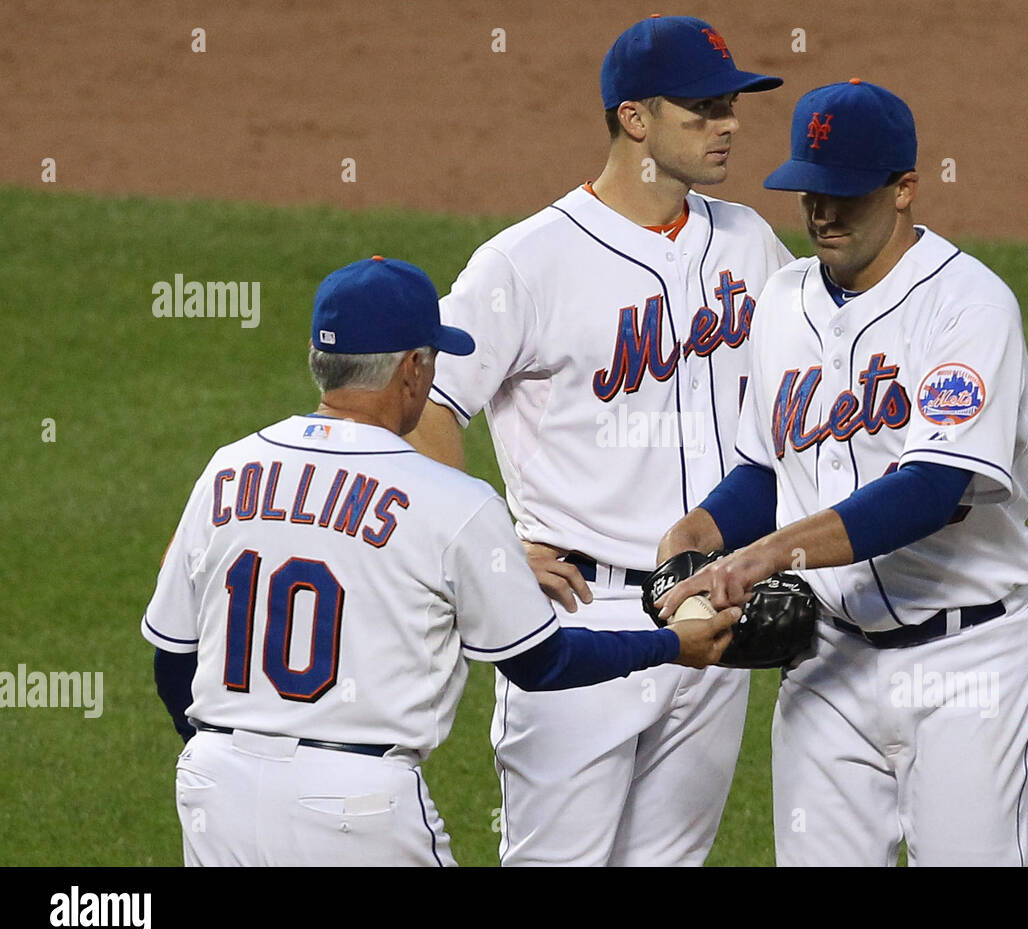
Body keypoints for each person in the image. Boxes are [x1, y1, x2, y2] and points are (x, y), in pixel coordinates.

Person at [141, 256, 739, 867]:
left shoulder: (228, 468)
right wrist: (672, 646)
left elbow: (172, 659)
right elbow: (543, 664)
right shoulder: (451, 501)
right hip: (357, 805)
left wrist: (229, 757)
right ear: (412, 368)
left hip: (216, 786)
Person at [406, 15, 790, 866]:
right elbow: (429, 404)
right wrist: (494, 551)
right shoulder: (524, 262)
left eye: (730, 104)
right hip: (580, 618)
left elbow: (790, 414)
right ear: (635, 118)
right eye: (701, 108)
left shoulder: (750, 243)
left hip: (713, 602)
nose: (726, 124)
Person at [656, 79, 1028, 866]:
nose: (823, 213)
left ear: (904, 190)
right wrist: (701, 529)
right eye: (810, 192)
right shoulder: (782, 299)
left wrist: (766, 555)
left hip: (963, 666)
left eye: (847, 195)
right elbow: (769, 470)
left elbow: (932, 490)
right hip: (826, 663)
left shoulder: (968, 306)